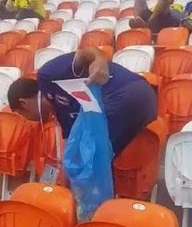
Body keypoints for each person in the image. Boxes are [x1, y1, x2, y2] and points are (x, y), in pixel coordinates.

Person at [7, 48, 157, 157]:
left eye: (22, 115)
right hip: (140, 104)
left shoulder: (47, 76)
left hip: (126, 91)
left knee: (89, 156)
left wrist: (98, 57)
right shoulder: (64, 118)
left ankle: (86, 199)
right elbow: (69, 149)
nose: (29, 120)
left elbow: (86, 53)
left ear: (24, 104)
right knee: (99, 160)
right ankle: (97, 199)